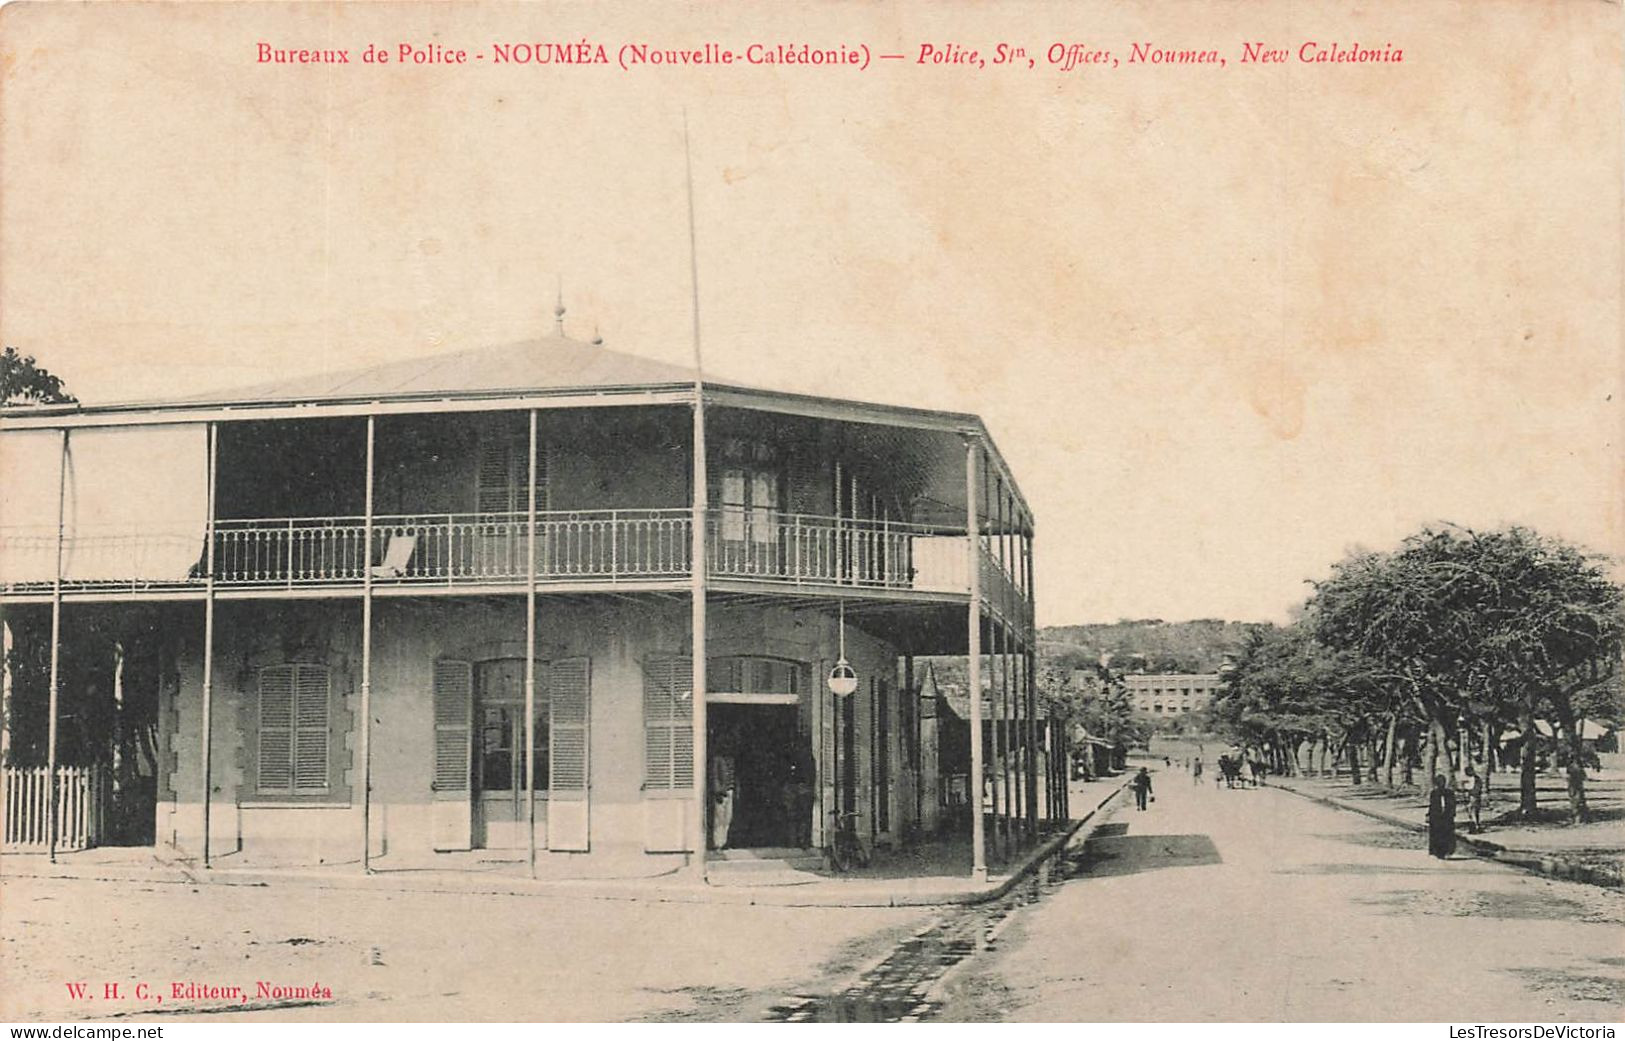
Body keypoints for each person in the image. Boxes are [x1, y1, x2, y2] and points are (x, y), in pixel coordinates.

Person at [709, 749, 738, 850]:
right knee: (719, 819)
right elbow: (715, 776)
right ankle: (717, 843)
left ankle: (724, 842)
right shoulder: (717, 759)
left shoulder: (732, 760)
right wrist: (718, 791)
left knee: (727, 818)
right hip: (722, 792)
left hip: (730, 791)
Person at [1426, 774, 1457, 859]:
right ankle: (1438, 852)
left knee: (1446, 834)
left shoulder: (1449, 793)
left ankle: (1446, 851)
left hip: (1445, 817)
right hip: (1437, 817)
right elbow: (1432, 805)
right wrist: (1428, 815)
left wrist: (1452, 814)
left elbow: (1453, 805)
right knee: (1438, 835)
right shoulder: (1434, 793)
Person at [1460, 762, 1484, 833]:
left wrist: (1465, 787)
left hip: (1474, 796)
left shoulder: (1474, 779)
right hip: (1475, 796)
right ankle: (1475, 826)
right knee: (1473, 812)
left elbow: (1472, 788)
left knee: (1472, 811)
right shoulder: (1475, 778)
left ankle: (1475, 827)